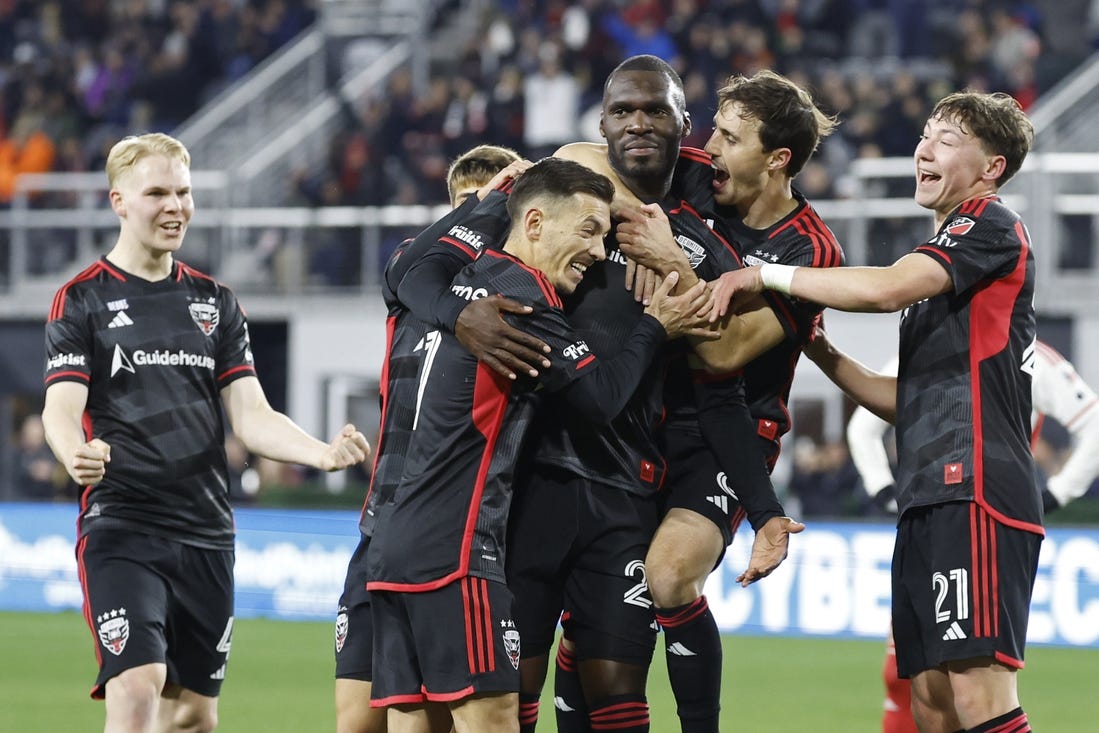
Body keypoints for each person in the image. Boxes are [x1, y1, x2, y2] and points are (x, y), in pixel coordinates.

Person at [710, 91, 1039, 733]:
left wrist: (765, 274)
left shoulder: (989, 225)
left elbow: (885, 288)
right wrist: (820, 349)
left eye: (946, 139)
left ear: (991, 167)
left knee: (978, 694)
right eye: (925, 134)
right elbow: (906, 401)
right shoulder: (947, 261)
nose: (924, 148)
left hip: (973, 487)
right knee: (931, 703)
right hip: (927, 494)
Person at [364, 156, 710, 733]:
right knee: (495, 722)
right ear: (533, 223)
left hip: (388, 545)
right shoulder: (519, 302)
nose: (600, 252)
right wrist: (656, 326)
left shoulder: (433, 276)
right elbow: (598, 399)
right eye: (588, 230)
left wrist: (488, 201)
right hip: (459, 554)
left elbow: (399, 272)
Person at [41, 132, 371, 733]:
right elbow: (60, 409)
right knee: (139, 686)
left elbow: (251, 416)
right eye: (158, 193)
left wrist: (319, 453)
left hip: (207, 533)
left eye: (184, 193)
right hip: (124, 524)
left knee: (193, 716)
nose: (176, 207)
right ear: (119, 201)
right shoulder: (81, 299)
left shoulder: (214, 303)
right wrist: (74, 453)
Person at [558, 68, 840, 733]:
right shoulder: (690, 173)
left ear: (776, 160)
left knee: (668, 575)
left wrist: (667, 256)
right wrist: (617, 205)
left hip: (728, 432)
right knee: (591, 614)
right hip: (641, 417)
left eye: (731, 137)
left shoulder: (810, 252)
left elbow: (725, 351)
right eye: (711, 128)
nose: (710, 147)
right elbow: (576, 157)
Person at [334, 143, 526, 733]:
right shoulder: (415, 279)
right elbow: (408, 263)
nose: (486, 217)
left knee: (443, 717)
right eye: (472, 208)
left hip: (455, 534)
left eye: (500, 206)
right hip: (380, 528)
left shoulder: (509, 297)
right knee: (356, 722)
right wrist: (488, 204)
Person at [819, 339, 1099, 733]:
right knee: (924, 683)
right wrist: (884, 490)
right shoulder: (922, 337)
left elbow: (1093, 421)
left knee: (976, 691)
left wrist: (1055, 493)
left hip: (983, 516)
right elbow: (862, 428)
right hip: (930, 515)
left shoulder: (1024, 348)